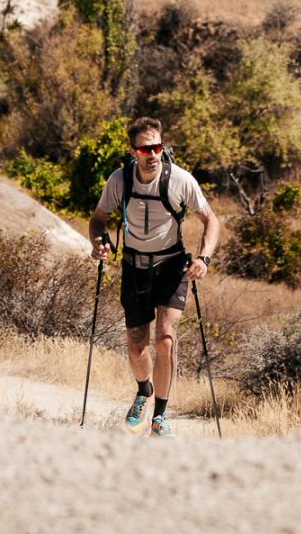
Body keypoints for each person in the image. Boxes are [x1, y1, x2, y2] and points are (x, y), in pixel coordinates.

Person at [89, 116, 222, 438]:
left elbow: (211, 220)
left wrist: (204, 258)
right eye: (145, 149)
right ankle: (144, 392)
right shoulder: (119, 180)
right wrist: (98, 242)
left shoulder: (181, 180)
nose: (152, 154)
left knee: (166, 339)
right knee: (137, 346)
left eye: (157, 147)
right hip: (134, 267)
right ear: (132, 151)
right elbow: (98, 219)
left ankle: (159, 417)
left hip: (171, 266)